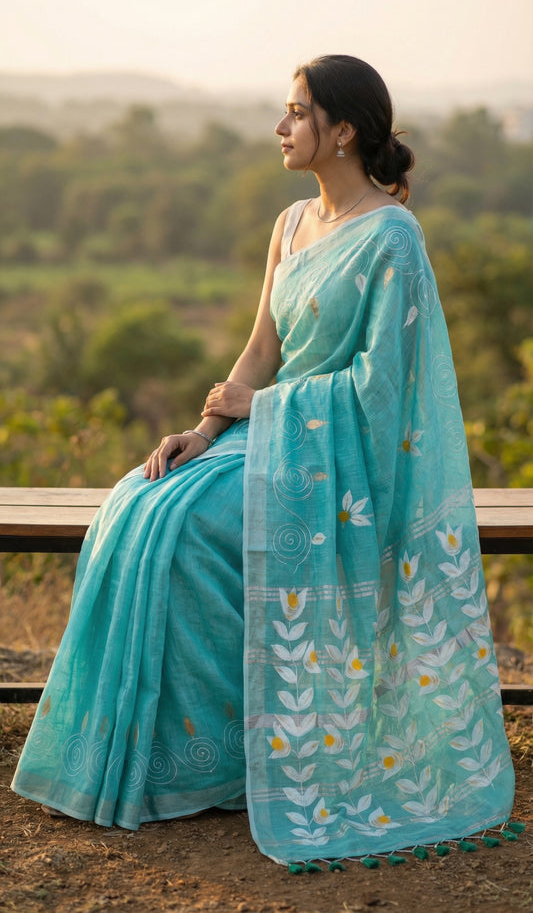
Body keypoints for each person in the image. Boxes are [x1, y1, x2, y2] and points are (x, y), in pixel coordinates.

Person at [12, 55, 515, 867]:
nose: (279, 128)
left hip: (336, 463)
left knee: (187, 531)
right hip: (264, 435)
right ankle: (153, 753)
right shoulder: (289, 224)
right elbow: (258, 351)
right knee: (137, 503)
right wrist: (204, 429)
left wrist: (268, 411)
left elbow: (382, 391)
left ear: (341, 130)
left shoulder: (392, 237)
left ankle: (236, 759)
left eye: (295, 112)